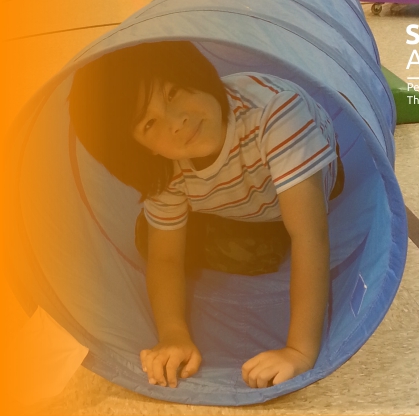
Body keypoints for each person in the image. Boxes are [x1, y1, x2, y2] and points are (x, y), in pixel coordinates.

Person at [67, 41, 344, 389]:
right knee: (150, 237)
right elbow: (166, 259)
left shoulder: (277, 116)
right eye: (150, 123)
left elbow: (309, 235)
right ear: (141, 149)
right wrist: (173, 335)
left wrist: (298, 351)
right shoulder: (164, 170)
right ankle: (248, 225)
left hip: (298, 177)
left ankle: (267, 231)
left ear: (194, 73)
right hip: (236, 200)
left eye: (172, 93)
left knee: (287, 229)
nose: (178, 121)